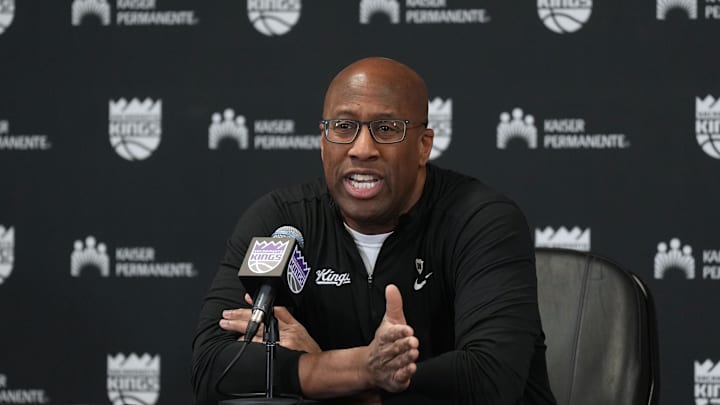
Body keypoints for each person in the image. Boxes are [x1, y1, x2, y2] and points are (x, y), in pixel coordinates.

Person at [192, 57, 557, 404]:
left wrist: (329, 375)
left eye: (386, 129)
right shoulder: (282, 222)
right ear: (323, 142)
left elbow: (489, 380)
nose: (362, 149)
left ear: (423, 146)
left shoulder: (480, 220)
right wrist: (363, 369)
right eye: (343, 127)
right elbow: (213, 368)